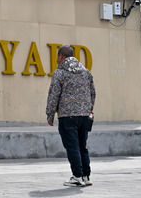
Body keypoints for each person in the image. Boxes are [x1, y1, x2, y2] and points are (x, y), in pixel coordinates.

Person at [46, 45, 96, 187]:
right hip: (84, 115)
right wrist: (88, 110)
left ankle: (77, 176)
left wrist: (50, 114)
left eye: (57, 56)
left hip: (67, 116)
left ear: (61, 56)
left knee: (72, 146)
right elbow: (93, 93)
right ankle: (86, 176)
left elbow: (54, 95)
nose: (57, 59)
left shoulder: (60, 73)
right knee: (82, 146)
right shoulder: (86, 72)